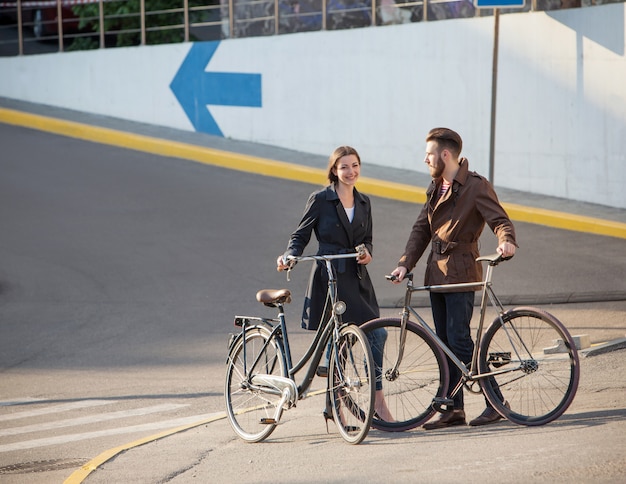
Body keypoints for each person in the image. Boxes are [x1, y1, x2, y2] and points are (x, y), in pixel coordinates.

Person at [390, 127, 517, 428]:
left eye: (429, 154)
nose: (425, 160)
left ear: (445, 155)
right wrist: (405, 264)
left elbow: (500, 220)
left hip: (460, 271)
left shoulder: (475, 185)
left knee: (459, 339)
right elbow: (421, 229)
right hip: (437, 273)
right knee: (444, 341)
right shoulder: (436, 187)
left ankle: (496, 403)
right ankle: (453, 408)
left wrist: (507, 239)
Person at [276, 145, 393, 423]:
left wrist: (367, 253)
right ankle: (335, 405)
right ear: (334, 170)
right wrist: (291, 255)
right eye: (344, 167)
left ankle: (378, 401)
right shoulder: (320, 199)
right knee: (336, 341)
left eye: (354, 165)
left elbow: (369, 240)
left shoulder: (364, 201)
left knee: (378, 335)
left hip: (357, 277)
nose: (350, 172)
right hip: (329, 275)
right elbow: (300, 235)